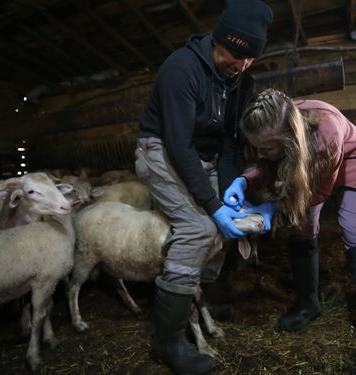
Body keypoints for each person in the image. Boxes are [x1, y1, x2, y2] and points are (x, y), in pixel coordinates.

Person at [134, 1, 273, 374]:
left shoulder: (241, 80)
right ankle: (167, 341)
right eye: (235, 53)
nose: (241, 64)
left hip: (205, 155)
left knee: (229, 224)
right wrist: (212, 206)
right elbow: (178, 146)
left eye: (250, 58)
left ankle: (196, 298)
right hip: (161, 149)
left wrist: (229, 195)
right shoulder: (181, 69)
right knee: (198, 227)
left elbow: (229, 142)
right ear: (219, 39)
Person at [223, 88, 356, 374]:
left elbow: (315, 194)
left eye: (265, 147)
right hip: (304, 162)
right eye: (255, 146)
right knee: (304, 229)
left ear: (286, 138)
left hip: (352, 158)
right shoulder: (276, 125)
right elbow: (268, 162)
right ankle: (308, 304)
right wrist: (245, 180)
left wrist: (273, 208)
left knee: (355, 226)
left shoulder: (324, 132)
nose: (259, 153)